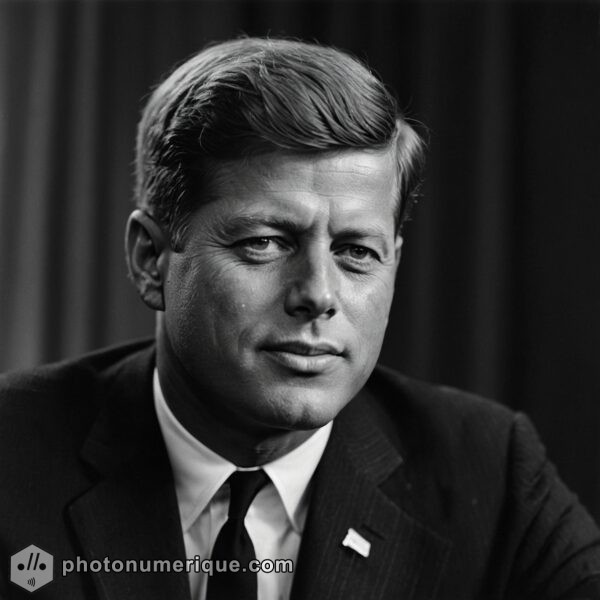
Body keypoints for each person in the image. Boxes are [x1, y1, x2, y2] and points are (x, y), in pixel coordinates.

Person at [0, 37, 599, 600]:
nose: (318, 294)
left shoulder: (490, 473)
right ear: (151, 260)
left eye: (356, 252)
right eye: (265, 242)